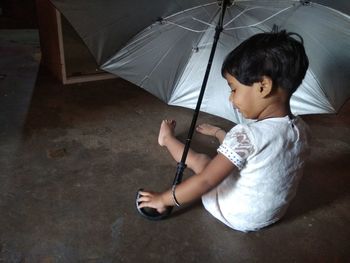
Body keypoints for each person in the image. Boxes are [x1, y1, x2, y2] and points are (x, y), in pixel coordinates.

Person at [137, 29, 310, 232]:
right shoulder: (302, 130)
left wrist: (163, 199)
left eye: (233, 89)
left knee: (202, 161)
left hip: (234, 213)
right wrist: (221, 135)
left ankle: (166, 139)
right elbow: (259, 150)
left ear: (263, 86)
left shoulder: (246, 135)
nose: (231, 98)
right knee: (237, 155)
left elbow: (206, 181)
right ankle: (219, 134)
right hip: (272, 214)